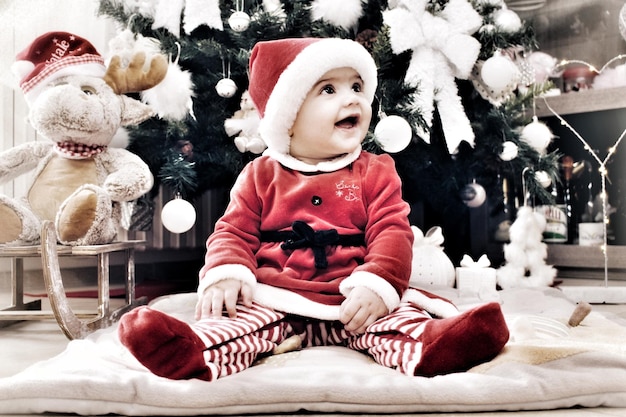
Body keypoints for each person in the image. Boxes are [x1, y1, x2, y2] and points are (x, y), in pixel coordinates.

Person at [118, 37, 509, 381]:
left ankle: (432, 347)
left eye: (356, 86)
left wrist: (377, 284)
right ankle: (193, 350)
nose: (352, 97)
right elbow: (232, 232)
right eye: (328, 90)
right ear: (287, 120)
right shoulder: (260, 173)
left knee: (395, 323)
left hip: (354, 298)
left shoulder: (375, 170)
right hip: (277, 295)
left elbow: (393, 231)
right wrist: (225, 274)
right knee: (239, 324)